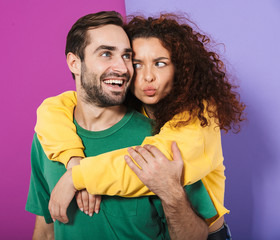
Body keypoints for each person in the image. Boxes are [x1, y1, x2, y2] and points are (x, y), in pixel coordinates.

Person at [35, 13, 245, 239]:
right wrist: (72, 158)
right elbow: (54, 108)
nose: (148, 77)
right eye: (136, 63)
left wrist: (76, 177)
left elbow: (155, 160)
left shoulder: (199, 116)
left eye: (160, 63)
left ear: (181, 69)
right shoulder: (132, 104)